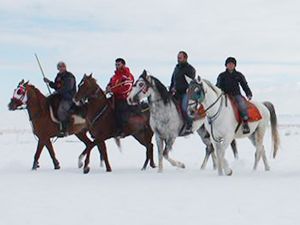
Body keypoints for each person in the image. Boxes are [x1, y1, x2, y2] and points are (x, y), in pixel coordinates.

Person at [216, 57, 253, 134]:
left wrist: (248, 93)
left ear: (235, 65)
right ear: (226, 65)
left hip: (236, 95)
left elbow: (244, 85)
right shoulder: (222, 75)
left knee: (242, 105)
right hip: (224, 95)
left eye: (232, 64)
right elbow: (217, 86)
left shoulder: (239, 75)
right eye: (229, 64)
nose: (230, 65)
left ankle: (245, 123)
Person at [44, 61, 76, 137]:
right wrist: (49, 82)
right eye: (59, 67)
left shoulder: (69, 76)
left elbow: (68, 87)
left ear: (65, 67)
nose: (61, 68)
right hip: (59, 96)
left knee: (61, 109)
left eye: (63, 67)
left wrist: (57, 92)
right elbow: (56, 86)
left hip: (68, 96)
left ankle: (65, 130)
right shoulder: (58, 76)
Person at [106, 58, 134, 136]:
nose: (117, 66)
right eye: (116, 64)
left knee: (119, 112)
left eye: (118, 64)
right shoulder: (114, 76)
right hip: (114, 98)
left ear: (123, 65)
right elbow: (110, 84)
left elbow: (127, 87)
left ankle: (121, 130)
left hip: (124, 98)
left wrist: (114, 90)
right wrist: (108, 87)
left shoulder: (127, 75)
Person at [170, 51, 196, 134]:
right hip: (176, 93)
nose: (178, 59)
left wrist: (179, 89)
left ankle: (189, 125)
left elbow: (190, 84)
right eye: (178, 57)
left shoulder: (190, 69)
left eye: (180, 57)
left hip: (186, 93)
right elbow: (173, 80)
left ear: (185, 58)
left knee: (184, 108)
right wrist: (171, 89)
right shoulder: (176, 68)